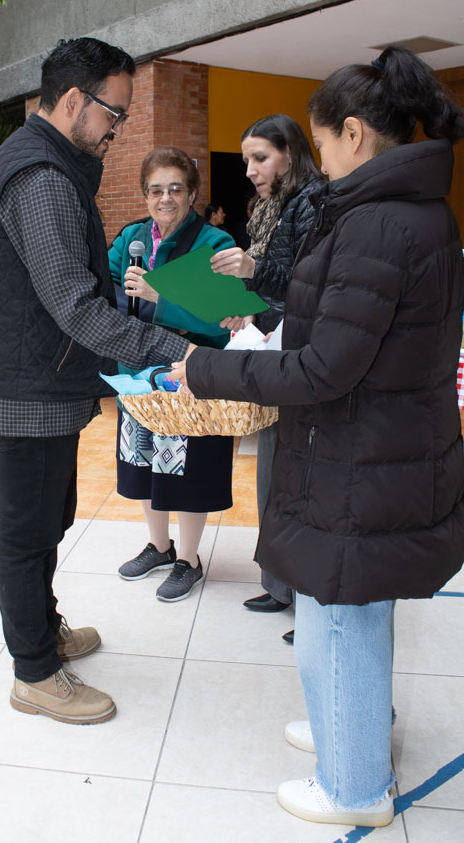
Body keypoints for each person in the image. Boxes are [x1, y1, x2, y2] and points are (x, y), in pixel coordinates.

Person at [170, 46, 464, 827]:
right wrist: (271, 323)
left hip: (359, 453)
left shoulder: (378, 225)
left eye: (321, 141)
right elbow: (350, 331)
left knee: (338, 612)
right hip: (383, 443)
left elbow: (324, 370)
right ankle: (357, 725)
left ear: (356, 135)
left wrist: (207, 369)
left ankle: (354, 785)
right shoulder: (414, 212)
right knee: (355, 608)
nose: (318, 158)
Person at [0, 38, 191, 725]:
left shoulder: (44, 157)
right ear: (76, 101)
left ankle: (42, 629)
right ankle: (33, 672)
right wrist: (174, 350)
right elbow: (76, 304)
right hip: (24, 387)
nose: (118, 128)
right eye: (115, 112)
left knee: (48, 519)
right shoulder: (44, 178)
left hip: (36, 378)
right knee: (27, 533)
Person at [210, 116, 323, 635]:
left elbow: (308, 286)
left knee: (301, 482)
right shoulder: (269, 210)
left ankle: (317, 603)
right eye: (246, 161)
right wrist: (249, 312)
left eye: (261, 158)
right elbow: (277, 294)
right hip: (277, 351)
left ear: (292, 153)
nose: (251, 170)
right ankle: (279, 585)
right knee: (273, 474)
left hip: (304, 360)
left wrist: (253, 277)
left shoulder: (314, 203)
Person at [108, 147, 236, 601]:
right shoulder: (130, 240)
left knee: (189, 468)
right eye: (156, 190)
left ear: (193, 194)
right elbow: (106, 293)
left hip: (190, 375)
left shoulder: (213, 244)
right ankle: (160, 547)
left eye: (175, 189)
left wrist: (160, 297)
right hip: (138, 376)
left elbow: (225, 313)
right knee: (144, 462)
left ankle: (190, 558)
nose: (165, 199)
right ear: (145, 196)